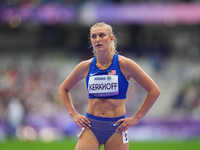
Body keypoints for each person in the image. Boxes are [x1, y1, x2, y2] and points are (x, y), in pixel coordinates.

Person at [58, 22, 160, 150]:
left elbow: (154, 91)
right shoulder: (86, 66)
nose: (97, 39)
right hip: (91, 126)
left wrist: (136, 118)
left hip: (117, 127)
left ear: (111, 38)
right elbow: (63, 89)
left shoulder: (125, 64)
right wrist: (73, 114)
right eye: (94, 36)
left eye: (102, 35)